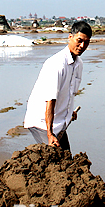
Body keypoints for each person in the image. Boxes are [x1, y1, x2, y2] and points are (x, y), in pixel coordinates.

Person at [24, 21, 92, 150]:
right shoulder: (56, 64)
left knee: (66, 159)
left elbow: (69, 92)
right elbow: (50, 99)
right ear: (70, 37)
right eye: (79, 40)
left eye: (86, 42)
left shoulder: (79, 64)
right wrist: (49, 134)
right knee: (55, 157)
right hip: (42, 122)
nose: (82, 46)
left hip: (59, 121)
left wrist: (68, 111)